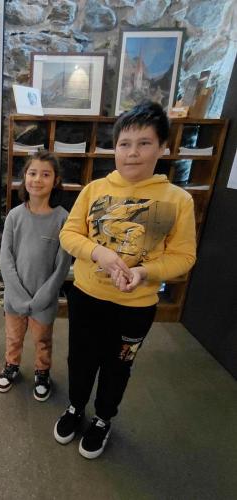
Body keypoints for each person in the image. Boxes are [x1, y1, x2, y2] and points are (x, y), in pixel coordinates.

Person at [53, 101, 196, 459]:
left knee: (119, 365)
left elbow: (183, 256)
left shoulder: (178, 200)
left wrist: (145, 272)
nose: (133, 153)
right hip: (87, 296)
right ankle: (75, 406)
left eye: (144, 143)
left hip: (136, 306)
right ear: (114, 148)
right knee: (80, 358)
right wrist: (98, 253)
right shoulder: (94, 189)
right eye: (124, 144)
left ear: (162, 147)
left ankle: (103, 418)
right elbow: (69, 234)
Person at [0, 151, 71, 401]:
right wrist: (17, 294)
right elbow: (5, 258)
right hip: (14, 297)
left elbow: (62, 266)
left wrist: (42, 298)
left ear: (56, 180)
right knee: (13, 337)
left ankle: (42, 371)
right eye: (32, 173)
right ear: (24, 177)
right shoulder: (14, 216)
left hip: (44, 299)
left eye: (45, 174)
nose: (37, 179)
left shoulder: (63, 218)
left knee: (42, 340)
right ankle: (11, 365)